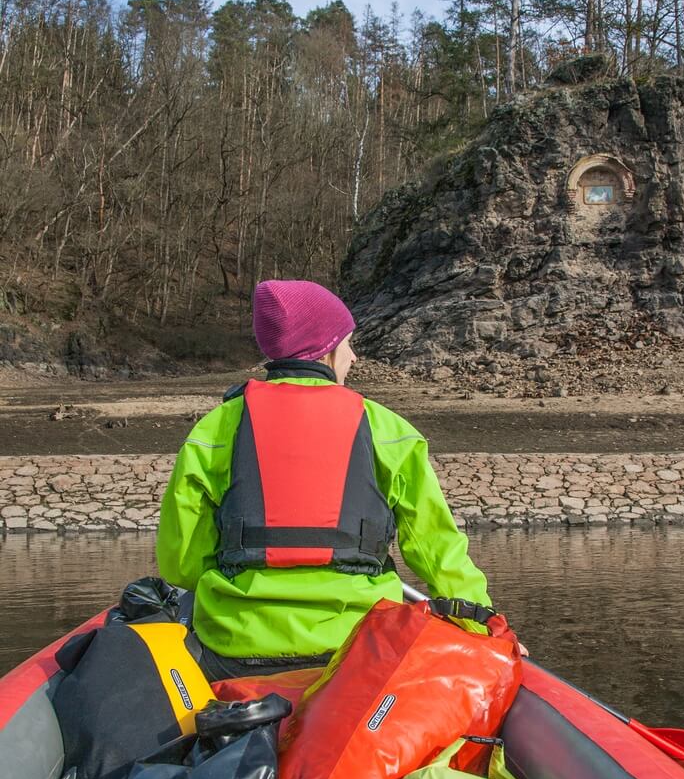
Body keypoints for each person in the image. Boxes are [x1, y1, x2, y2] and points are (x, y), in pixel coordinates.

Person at [156, 279, 497, 680]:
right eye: (347, 343)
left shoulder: (215, 429)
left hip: (234, 649)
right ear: (325, 351)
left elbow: (181, 565)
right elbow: (438, 550)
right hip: (357, 650)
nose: (352, 357)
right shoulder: (387, 429)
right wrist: (481, 622)